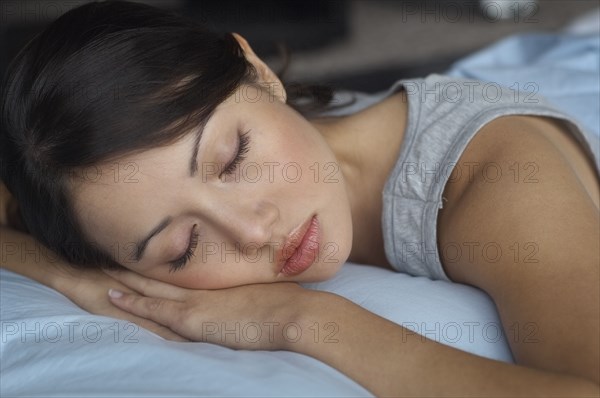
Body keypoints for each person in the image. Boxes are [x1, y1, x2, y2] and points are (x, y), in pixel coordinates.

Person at [1, 1, 598, 396]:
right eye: (183, 248)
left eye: (234, 159)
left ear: (259, 72)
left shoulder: (494, 180)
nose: (253, 232)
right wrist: (74, 277)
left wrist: (303, 320)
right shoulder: (95, 205)